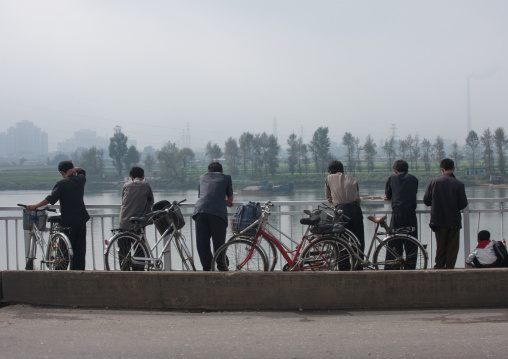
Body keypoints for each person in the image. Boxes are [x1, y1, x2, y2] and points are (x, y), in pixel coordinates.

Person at [27, 161, 90, 270]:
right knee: (79, 250)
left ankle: (60, 272)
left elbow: (50, 199)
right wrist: (75, 169)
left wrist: (35, 206)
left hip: (67, 222)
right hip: (81, 220)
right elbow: (82, 171)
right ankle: (79, 274)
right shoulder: (80, 180)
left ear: (61, 172)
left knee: (64, 250)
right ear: (72, 169)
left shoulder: (61, 183)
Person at [423, 158, 468, 269]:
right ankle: (449, 270)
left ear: (442, 169)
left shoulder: (434, 182)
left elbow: (426, 201)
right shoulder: (459, 184)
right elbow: (463, 204)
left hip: (438, 221)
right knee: (452, 249)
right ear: (453, 169)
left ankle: (438, 269)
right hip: (453, 222)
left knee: (440, 247)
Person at [192, 162, 234, 271]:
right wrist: (225, 200)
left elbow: (202, 195)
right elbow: (230, 199)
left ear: (208, 171)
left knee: (202, 243)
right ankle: (222, 267)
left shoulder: (202, 177)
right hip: (217, 213)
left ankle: (207, 268)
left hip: (200, 211)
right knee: (219, 243)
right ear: (221, 171)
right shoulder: (226, 178)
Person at [384, 159, 419, 269]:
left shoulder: (391, 179)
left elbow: (388, 195)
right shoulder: (414, 179)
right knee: (411, 243)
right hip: (410, 215)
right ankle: (410, 269)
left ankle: (392, 269)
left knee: (394, 242)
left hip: (397, 215)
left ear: (395, 171)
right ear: (407, 170)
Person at [325, 160, 365, 256]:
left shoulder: (329, 178)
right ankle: (359, 265)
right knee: (358, 239)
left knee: (342, 240)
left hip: (341, 211)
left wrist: (333, 197)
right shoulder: (351, 178)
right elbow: (357, 194)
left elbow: (328, 198)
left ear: (330, 172)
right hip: (356, 209)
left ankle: (344, 267)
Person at [119, 166, 154, 231]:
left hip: (124, 221)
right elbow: (151, 201)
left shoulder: (126, 186)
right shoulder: (146, 186)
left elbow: (123, 200)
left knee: (123, 240)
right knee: (139, 239)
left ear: (131, 177)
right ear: (143, 176)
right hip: (138, 222)